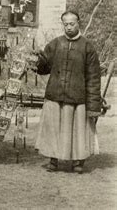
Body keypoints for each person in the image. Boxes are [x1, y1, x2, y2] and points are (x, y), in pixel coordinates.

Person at [32, 10, 102, 173]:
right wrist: (37, 61)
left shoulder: (87, 47)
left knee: (78, 131)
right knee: (54, 129)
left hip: (78, 98)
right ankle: (53, 160)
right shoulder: (55, 44)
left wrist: (93, 106)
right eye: (66, 24)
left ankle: (78, 162)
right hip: (55, 95)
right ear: (62, 24)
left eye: (72, 23)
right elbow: (43, 69)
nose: (69, 27)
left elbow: (93, 78)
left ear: (78, 23)